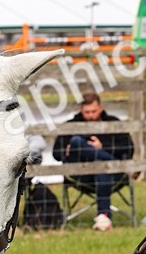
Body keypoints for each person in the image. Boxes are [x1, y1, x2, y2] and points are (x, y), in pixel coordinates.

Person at [53, 91, 134, 231]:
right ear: (81, 110)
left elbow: (129, 149)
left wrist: (103, 147)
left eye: (93, 111)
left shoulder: (113, 122)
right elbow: (56, 153)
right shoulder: (71, 125)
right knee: (76, 141)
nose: (90, 115)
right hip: (81, 175)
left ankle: (103, 217)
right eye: (87, 112)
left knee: (100, 166)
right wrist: (72, 149)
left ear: (100, 108)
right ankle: (104, 215)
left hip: (110, 175)